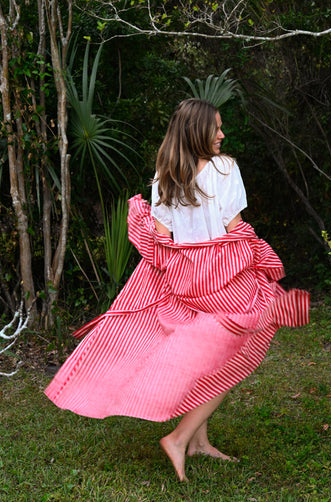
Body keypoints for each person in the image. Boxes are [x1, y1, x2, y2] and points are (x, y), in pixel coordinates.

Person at [45, 98, 309, 482]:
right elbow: (234, 226)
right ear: (198, 131)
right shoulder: (224, 167)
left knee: (205, 362)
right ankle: (179, 438)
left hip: (184, 279)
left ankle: (199, 442)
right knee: (235, 357)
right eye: (216, 127)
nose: (223, 134)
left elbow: (161, 239)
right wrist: (262, 260)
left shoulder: (163, 176)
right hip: (224, 278)